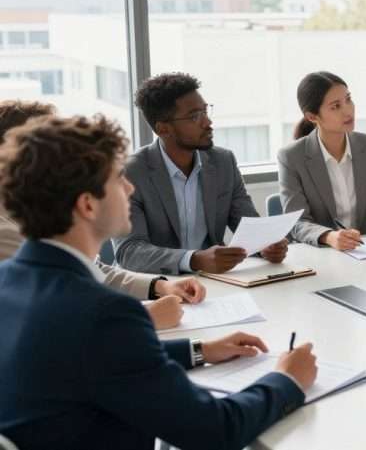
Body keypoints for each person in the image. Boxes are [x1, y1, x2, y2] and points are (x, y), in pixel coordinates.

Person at [0, 114, 318, 450]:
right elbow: (215, 430)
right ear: (88, 205)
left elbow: (91, 356)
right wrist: (286, 379)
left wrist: (201, 350)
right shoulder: (104, 314)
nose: (130, 188)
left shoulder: (10, 281)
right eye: (119, 178)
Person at [0, 100, 202, 330]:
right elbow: (51, 317)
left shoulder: (39, 205)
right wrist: (143, 317)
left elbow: (88, 269)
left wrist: (158, 286)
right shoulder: (5, 232)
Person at [113, 73, 288, 275]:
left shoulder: (223, 162)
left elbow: (248, 226)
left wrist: (265, 245)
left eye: (205, 111)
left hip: (213, 281)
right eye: (195, 116)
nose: (208, 122)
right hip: (156, 286)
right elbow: (129, 251)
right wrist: (193, 260)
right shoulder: (131, 173)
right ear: (163, 128)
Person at [278, 71, 366, 251]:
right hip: (320, 254)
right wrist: (329, 237)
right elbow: (298, 223)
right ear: (312, 117)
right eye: (335, 106)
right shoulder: (291, 157)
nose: (348, 110)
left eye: (348, 99)